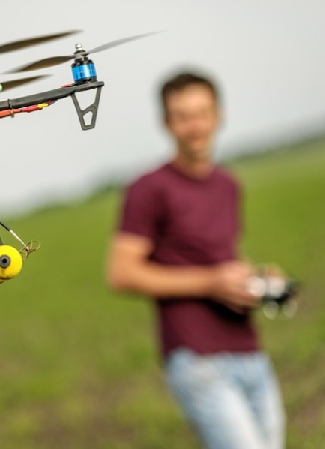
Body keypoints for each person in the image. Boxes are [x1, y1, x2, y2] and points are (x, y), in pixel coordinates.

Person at [105, 70, 285, 449]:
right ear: (166, 123)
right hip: (198, 360)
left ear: (218, 115)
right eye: (183, 116)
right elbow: (122, 273)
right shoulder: (148, 189)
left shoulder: (228, 184)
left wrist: (257, 279)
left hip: (251, 352)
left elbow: (220, 257)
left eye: (202, 113)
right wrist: (210, 283)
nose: (195, 126)